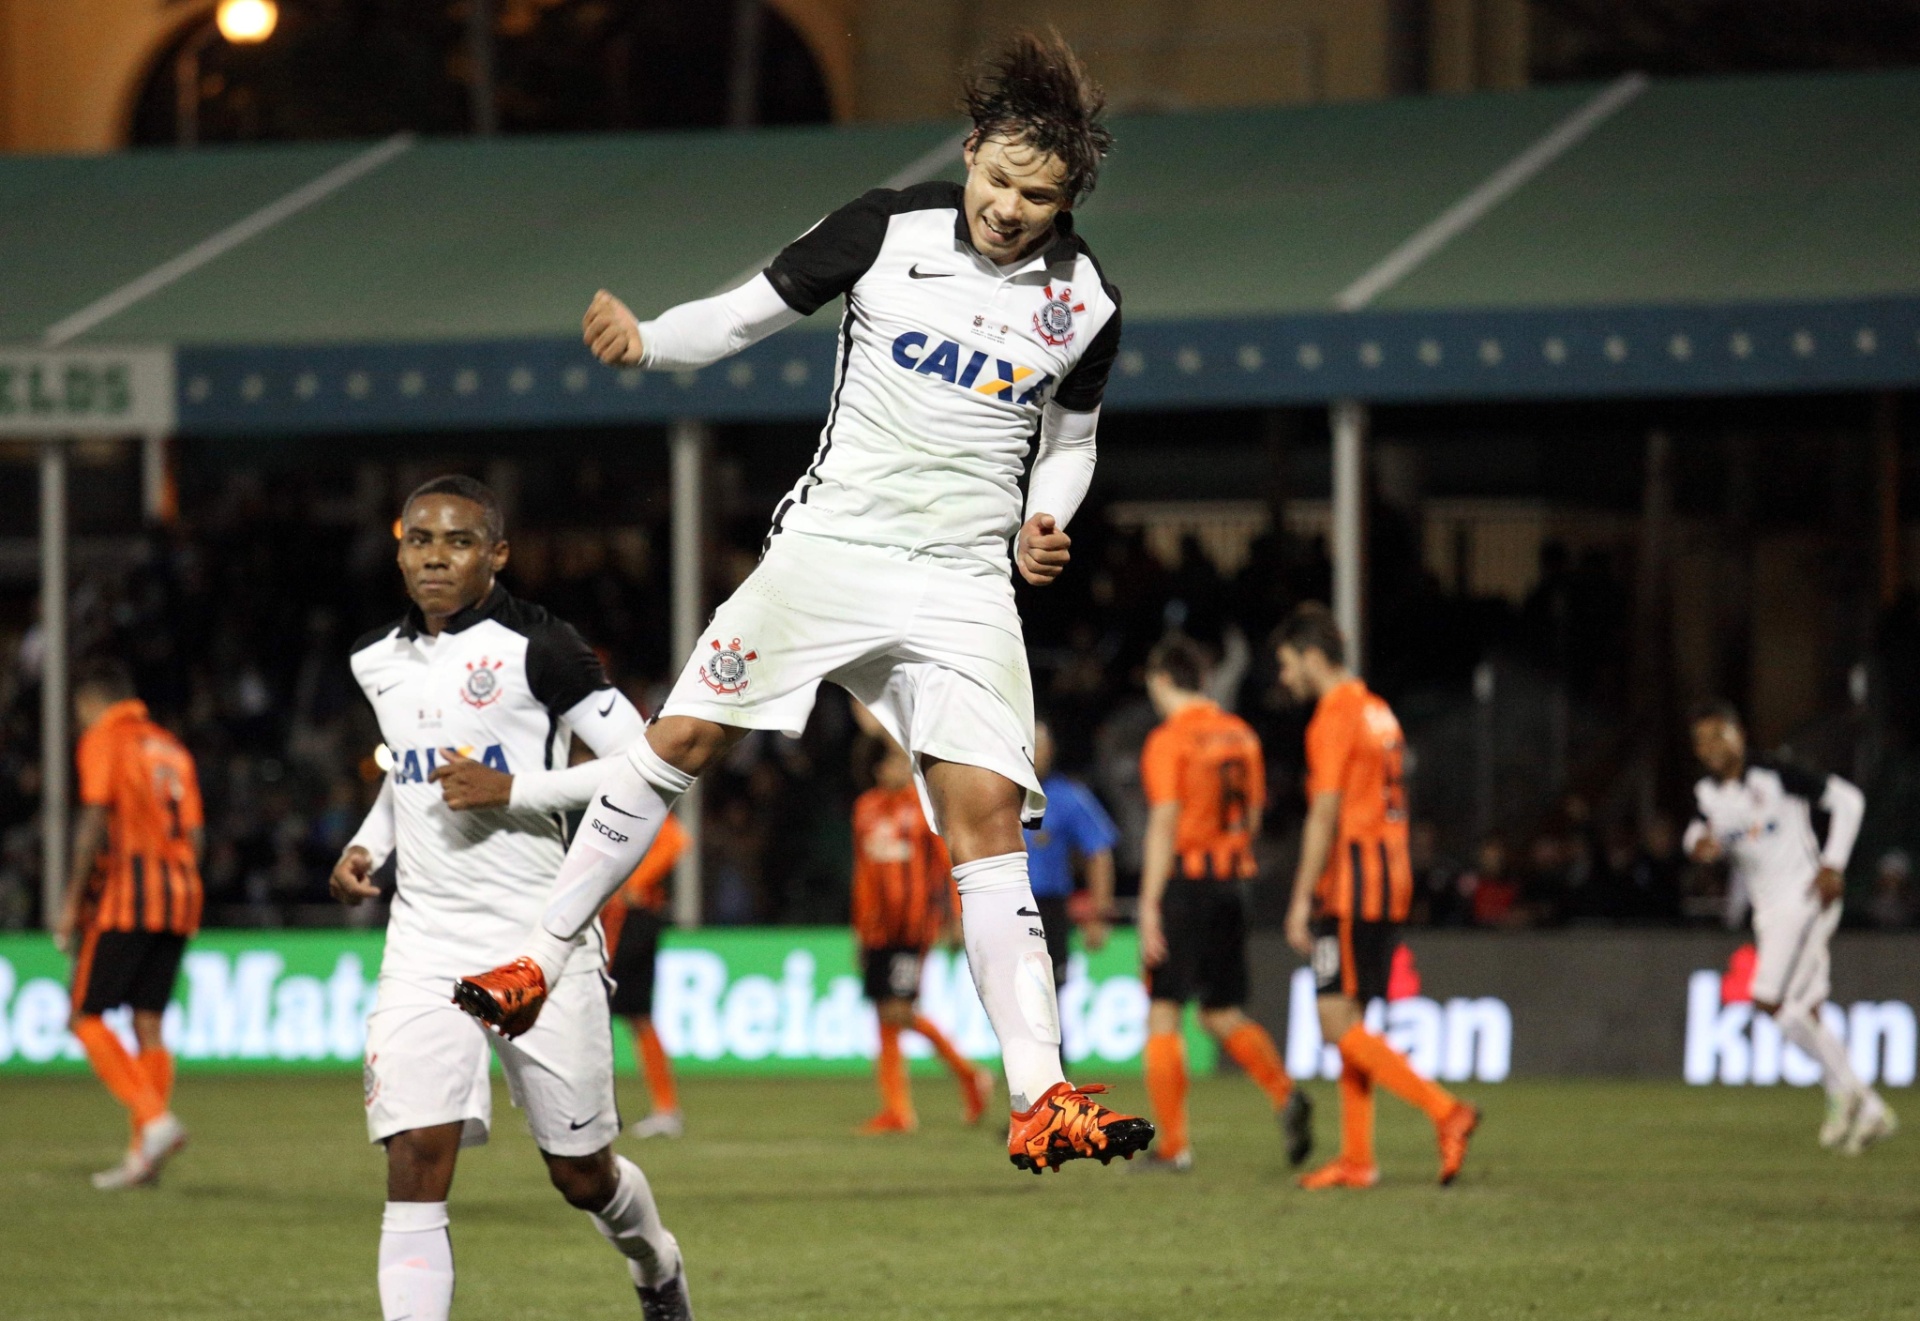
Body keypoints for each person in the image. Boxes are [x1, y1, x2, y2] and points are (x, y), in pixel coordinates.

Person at [454, 30, 1154, 1174]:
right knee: (683, 736)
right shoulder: (886, 228)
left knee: (983, 819)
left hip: (963, 581)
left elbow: (1070, 443)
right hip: (832, 549)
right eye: (997, 180)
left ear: (1069, 196)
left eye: (1037, 196)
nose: (1010, 209)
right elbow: (742, 313)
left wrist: (1050, 514)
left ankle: (1041, 1094)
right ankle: (538, 952)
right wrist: (649, 343)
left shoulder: (1086, 302)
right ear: (970, 152)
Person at [329, 475, 693, 1321]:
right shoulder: (374, 660)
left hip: (539, 942)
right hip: (422, 942)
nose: (434, 556)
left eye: (458, 541)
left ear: (496, 554)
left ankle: (655, 1261)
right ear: (399, 548)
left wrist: (517, 789)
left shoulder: (544, 648)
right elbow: (408, 773)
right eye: (420, 539)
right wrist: (366, 845)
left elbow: (651, 766)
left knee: (581, 1174)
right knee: (417, 1153)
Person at [1277, 604, 1479, 1189]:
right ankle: (1359, 1158)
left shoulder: (1334, 716)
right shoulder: (1379, 711)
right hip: (1390, 876)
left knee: (1337, 1023)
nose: (1285, 677)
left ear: (1314, 658)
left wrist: (1298, 901)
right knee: (1354, 1022)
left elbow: (1324, 814)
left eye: (1288, 665)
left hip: (1350, 880)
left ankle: (1447, 1111)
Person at [1684, 702, 1896, 1154]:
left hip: (1806, 899)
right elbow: (1702, 831)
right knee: (1808, 1010)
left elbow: (1849, 801)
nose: (1711, 747)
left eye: (1718, 735)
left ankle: (1854, 1096)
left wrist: (1834, 866)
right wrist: (1697, 845)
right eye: (1702, 741)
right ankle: (1861, 1103)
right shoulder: (1708, 794)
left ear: (1738, 734)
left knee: (1770, 1000)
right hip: (1770, 912)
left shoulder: (1777, 773)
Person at [1134, 637, 1310, 1172]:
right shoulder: (1242, 736)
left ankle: (1174, 1147)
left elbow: (1164, 823)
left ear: (1163, 679)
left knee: (1164, 1013)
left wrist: (1147, 905)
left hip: (1188, 886)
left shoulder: (1168, 740)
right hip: (1235, 888)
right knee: (1219, 1012)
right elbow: (1254, 818)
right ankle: (1284, 1093)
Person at [57, 658, 202, 1190]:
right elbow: (197, 835)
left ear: (92, 703)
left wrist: (71, 902)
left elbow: (95, 817)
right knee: (148, 1022)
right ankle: (146, 1157)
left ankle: (154, 1121)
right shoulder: (171, 747)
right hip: (182, 895)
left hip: (127, 896)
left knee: (85, 1015)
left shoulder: (105, 739)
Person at [851, 731, 995, 1133]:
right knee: (885, 1014)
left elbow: (945, 864)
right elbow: (862, 875)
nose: (902, 768)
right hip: (877, 930)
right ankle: (898, 1110)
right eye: (895, 761)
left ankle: (970, 1076)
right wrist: (859, 930)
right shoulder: (865, 809)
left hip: (913, 927)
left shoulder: (922, 809)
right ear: (879, 769)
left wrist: (955, 917)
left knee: (899, 1011)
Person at [599, 814, 691, 1140]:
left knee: (608, 1012)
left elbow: (676, 840)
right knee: (621, 1015)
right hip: (616, 917)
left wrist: (634, 883)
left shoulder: (639, 805)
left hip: (629, 921)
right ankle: (662, 1109)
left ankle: (663, 1108)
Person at [1023, 718, 1118, 987]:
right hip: (1003, 907)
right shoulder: (997, 795)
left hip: (1049, 909)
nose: (1033, 752)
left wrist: (1098, 914)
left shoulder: (1067, 796)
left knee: (1049, 990)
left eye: (1039, 745)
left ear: (1051, 750)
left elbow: (1099, 852)